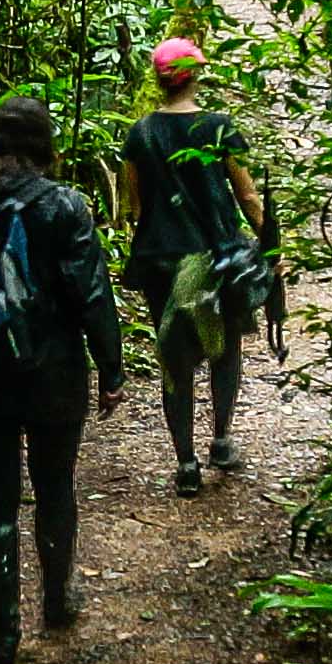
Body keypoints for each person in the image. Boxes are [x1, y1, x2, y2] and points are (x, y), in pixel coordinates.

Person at [0, 98, 125, 664]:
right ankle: (57, 601)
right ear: (45, 143)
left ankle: (3, 632)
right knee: (55, 487)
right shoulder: (62, 204)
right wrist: (110, 367)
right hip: (52, 374)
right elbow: (90, 293)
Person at [121, 36, 275, 496]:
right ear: (197, 74)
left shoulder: (141, 133)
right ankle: (222, 441)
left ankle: (185, 462)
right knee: (225, 348)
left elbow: (134, 204)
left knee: (175, 357)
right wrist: (269, 244)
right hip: (218, 255)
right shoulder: (219, 126)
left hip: (162, 260)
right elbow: (247, 195)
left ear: (158, 79)